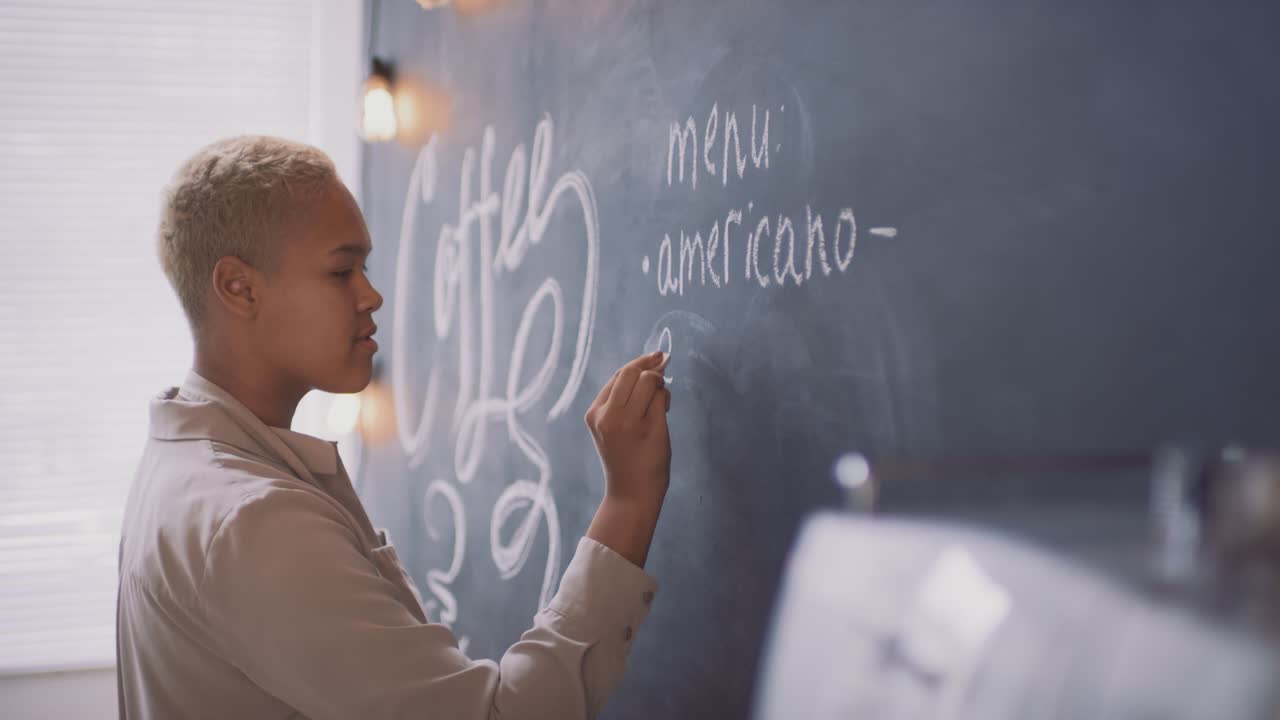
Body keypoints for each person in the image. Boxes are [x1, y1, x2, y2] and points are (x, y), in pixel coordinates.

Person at [116, 135, 672, 719]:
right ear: (239, 287)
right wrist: (629, 504)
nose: (371, 294)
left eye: (366, 268)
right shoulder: (253, 522)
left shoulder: (180, 463)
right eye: (341, 271)